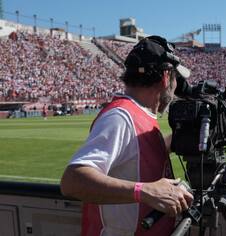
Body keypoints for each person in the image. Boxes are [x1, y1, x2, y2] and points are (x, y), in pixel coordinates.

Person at [60, 36, 194, 236]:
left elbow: (139, 155)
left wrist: (178, 139)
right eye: (176, 79)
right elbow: (72, 181)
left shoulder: (138, 113)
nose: (176, 89)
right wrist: (145, 191)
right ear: (166, 77)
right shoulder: (121, 116)